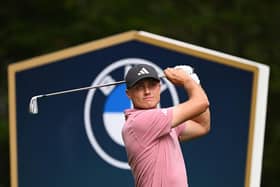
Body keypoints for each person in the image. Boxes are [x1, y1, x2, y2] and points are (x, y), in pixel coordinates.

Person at [122, 64, 210, 187]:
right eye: (139, 87)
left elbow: (202, 126)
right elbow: (202, 103)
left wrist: (194, 82)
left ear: (159, 87)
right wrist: (188, 80)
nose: (147, 91)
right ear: (128, 94)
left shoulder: (164, 122)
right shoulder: (139, 121)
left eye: (152, 85)